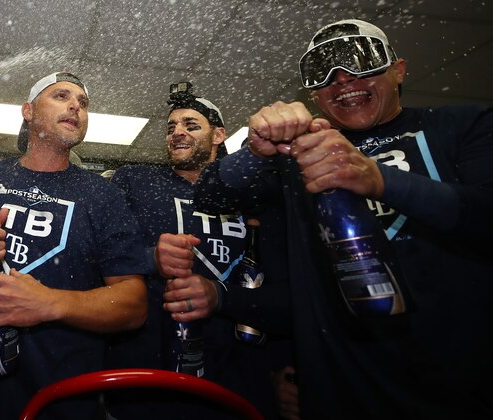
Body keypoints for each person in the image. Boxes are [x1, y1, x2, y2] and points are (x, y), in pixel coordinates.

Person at [194, 19, 493, 420]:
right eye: (324, 72)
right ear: (314, 92)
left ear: (399, 70)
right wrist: (257, 149)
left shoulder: (462, 125)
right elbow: (212, 195)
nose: (343, 79)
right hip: (339, 385)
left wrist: (380, 179)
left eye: (361, 60)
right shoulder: (296, 154)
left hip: (463, 380)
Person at [0, 72, 148, 420]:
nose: (75, 106)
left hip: (55, 401)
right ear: (28, 111)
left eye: (83, 103)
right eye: (61, 96)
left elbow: (134, 303)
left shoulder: (103, 195)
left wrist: (51, 302)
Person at [105, 83, 290, 419]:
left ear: (219, 135)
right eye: (171, 127)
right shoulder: (135, 181)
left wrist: (283, 365)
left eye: (191, 125)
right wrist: (149, 258)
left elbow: (285, 287)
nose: (177, 133)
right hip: (147, 379)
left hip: (238, 379)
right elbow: (99, 257)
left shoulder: (255, 194)